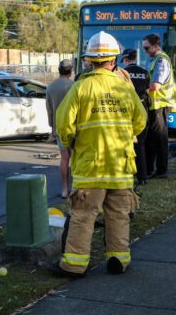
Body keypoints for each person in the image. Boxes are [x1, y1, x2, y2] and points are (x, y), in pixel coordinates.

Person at [51, 31, 147, 277]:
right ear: (113, 60)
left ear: (89, 60)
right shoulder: (125, 88)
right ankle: (118, 259)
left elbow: (63, 124)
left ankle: (74, 265)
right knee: (118, 216)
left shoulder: (81, 87)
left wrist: (71, 141)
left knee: (83, 216)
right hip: (120, 166)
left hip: (90, 166)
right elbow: (141, 120)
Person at [142, 33, 176, 179]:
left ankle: (161, 170)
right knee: (151, 138)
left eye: (147, 48)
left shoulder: (161, 61)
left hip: (161, 104)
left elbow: (155, 85)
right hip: (154, 104)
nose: (145, 51)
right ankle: (150, 168)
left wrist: (139, 87)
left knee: (160, 138)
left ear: (156, 45)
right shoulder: (153, 59)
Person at [46, 59, 74, 198]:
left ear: (59, 70)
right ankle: (76, 188)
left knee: (64, 158)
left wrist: (53, 127)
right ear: (70, 71)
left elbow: (49, 110)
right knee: (75, 158)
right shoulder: (75, 85)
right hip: (75, 127)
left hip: (59, 128)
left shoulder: (50, 87)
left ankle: (65, 189)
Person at [121, 48, 150, 184]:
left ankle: (129, 175)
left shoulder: (123, 74)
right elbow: (148, 90)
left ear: (126, 59)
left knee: (127, 144)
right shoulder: (144, 72)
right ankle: (143, 177)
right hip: (143, 109)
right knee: (141, 144)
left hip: (129, 110)